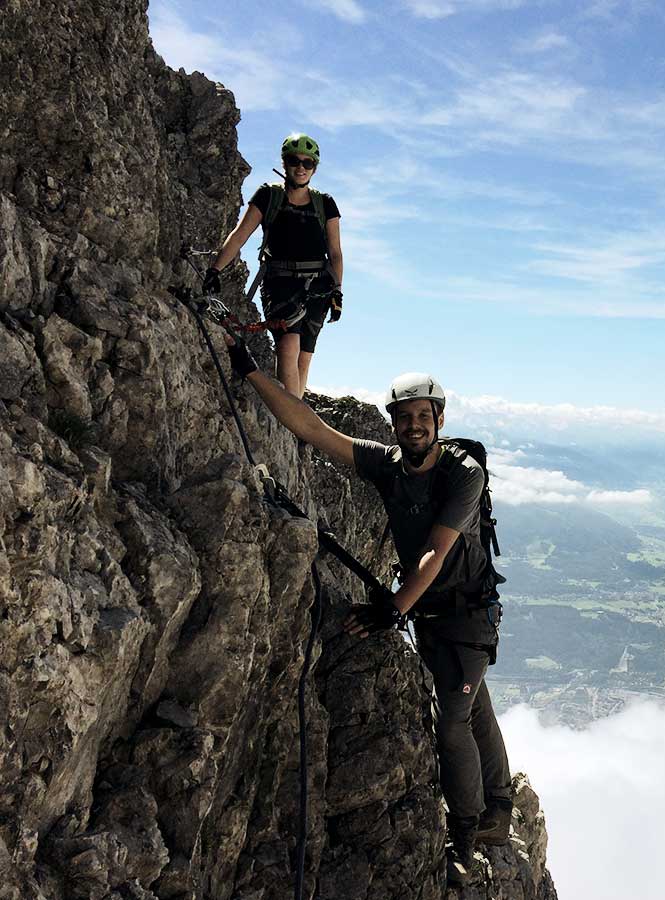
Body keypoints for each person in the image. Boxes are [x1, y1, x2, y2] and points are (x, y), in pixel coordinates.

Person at [223, 345, 512, 885]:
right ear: (394, 424)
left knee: (453, 721)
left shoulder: (462, 473)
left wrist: (392, 609)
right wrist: (250, 373)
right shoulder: (387, 465)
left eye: (424, 417)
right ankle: (499, 802)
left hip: (464, 614)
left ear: (440, 421)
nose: (414, 426)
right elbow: (311, 429)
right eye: (404, 418)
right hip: (435, 613)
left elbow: (437, 551)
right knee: (473, 705)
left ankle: (468, 836)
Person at [206, 133, 344, 397]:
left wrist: (337, 291)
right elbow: (240, 235)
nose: (301, 167)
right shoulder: (268, 196)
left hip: (319, 286)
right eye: (294, 161)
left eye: (308, 163)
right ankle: (293, 417)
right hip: (279, 284)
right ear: (284, 163)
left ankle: (296, 422)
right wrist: (215, 269)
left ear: (314, 167)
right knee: (288, 346)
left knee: (304, 355)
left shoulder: (325, 204)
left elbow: (336, 253)